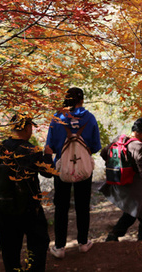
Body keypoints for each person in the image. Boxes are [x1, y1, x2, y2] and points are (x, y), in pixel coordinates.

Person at [0, 114, 55, 272]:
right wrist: (48, 154)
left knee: (9, 248)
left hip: (3, 205)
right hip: (28, 207)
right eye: (31, 127)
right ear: (27, 128)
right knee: (38, 243)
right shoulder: (31, 150)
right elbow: (48, 173)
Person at [45, 87, 101, 258]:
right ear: (82, 100)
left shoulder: (57, 118)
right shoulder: (89, 118)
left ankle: (60, 247)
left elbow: (49, 146)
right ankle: (83, 243)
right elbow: (96, 146)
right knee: (82, 205)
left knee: (61, 207)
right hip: (83, 168)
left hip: (62, 168)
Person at [99, 117, 142, 241]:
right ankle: (120, 236)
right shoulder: (140, 147)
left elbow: (103, 153)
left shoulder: (119, 140)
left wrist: (117, 165)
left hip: (119, 183)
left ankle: (136, 238)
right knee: (135, 210)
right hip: (133, 185)